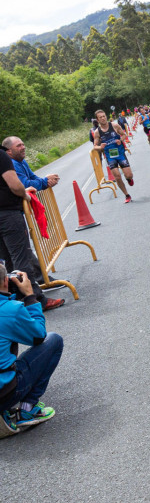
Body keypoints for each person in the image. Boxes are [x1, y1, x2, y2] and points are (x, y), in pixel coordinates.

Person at [0, 266, 63, 433]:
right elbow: (38, 336)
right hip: (4, 393)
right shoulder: (10, 310)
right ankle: (28, 409)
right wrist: (29, 296)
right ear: (6, 280)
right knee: (54, 340)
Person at [0, 147, 63, 311]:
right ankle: (35, 300)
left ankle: (16, 301)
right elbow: (15, 185)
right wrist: (26, 195)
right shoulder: (1, 156)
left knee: (5, 261)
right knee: (21, 259)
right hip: (8, 215)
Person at [93, 109, 134, 203]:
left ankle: (129, 179)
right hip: (110, 157)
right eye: (100, 117)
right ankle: (127, 195)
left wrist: (121, 140)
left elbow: (124, 135)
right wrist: (100, 147)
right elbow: (95, 146)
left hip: (120, 154)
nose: (103, 118)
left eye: (104, 116)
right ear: (97, 120)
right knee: (117, 177)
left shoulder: (114, 126)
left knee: (129, 175)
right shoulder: (97, 132)